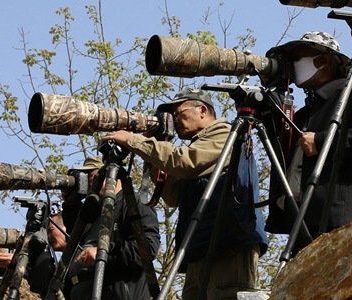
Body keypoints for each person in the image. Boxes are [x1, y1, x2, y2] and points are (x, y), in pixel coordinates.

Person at [103, 88, 268, 300]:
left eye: (179, 113)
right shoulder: (199, 146)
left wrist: (135, 141)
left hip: (229, 245)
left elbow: (185, 162)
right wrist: (152, 154)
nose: (175, 121)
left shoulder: (226, 134)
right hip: (201, 246)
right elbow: (174, 196)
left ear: (202, 110)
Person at [265, 31, 352, 250]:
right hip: (301, 219)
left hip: (336, 221)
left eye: (298, 58)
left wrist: (322, 142)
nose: (293, 66)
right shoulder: (306, 112)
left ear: (323, 59)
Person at [62, 154, 160, 300]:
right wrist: (70, 203)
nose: (87, 182)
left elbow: (148, 248)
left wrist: (104, 252)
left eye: (91, 176)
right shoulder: (95, 209)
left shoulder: (133, 204)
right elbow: (74, 235)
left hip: (116, 292)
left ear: (109, 173)